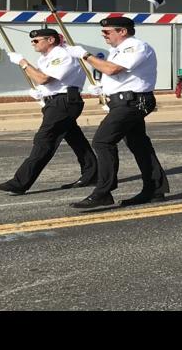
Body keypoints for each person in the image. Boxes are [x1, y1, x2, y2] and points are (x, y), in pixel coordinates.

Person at [69, 16, 170, 209]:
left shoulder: (136, 46)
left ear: (122, 31)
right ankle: (155, 188)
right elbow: (117, 76)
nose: (104, 35)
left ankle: (103, 191)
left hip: (133, 102)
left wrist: (85, 56)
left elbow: (113, 69)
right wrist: (103, 88)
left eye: (107, 32)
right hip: (124, 102)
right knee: (138, 144)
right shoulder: (117, 50)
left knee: (102, 141)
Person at [0, 28, 99, 195]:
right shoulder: (44, 59)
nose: (33, 43)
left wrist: (23, 63)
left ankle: (20, 182)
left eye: (36, 40)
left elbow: (43, 78)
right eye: (32, 41)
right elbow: (44, 82)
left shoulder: (62, 55)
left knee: (44, 139)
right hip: (55, 102)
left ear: (51, 40)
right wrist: (42, 92)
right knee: (75, 138)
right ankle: (91, 173)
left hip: (65, 101)